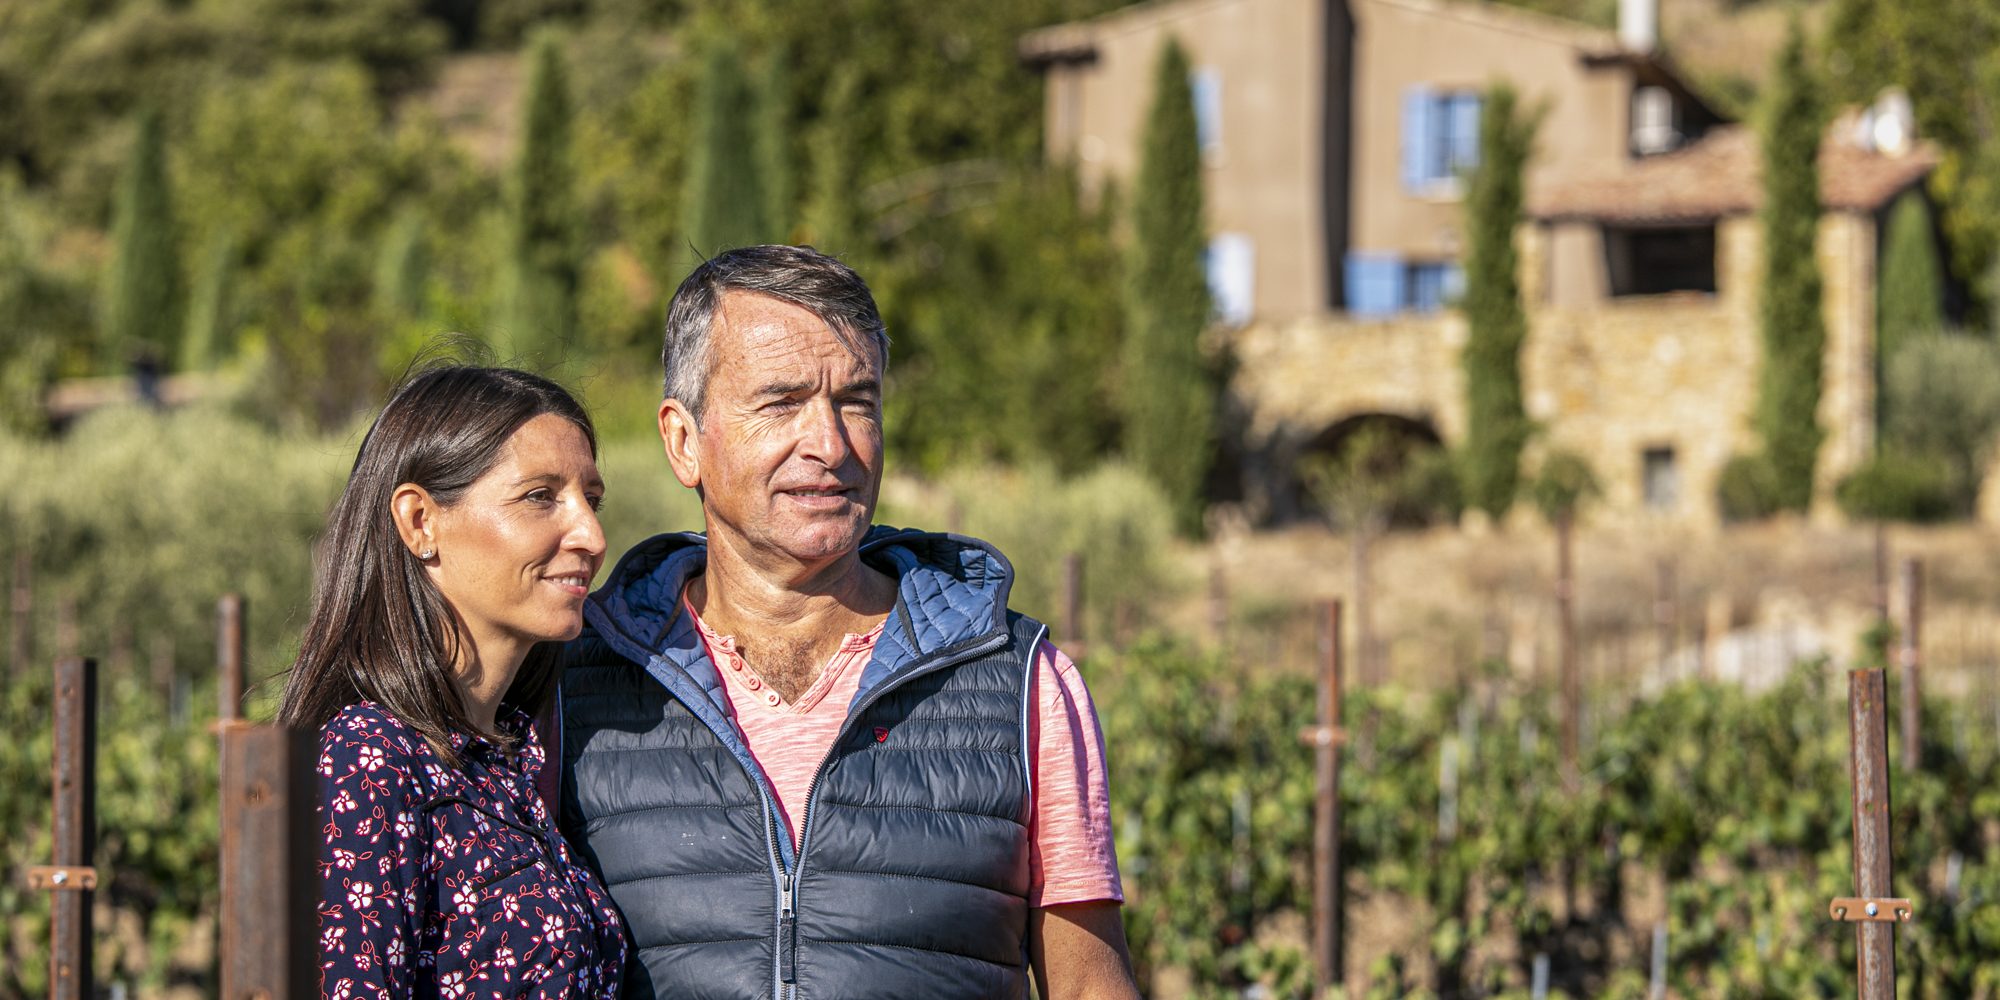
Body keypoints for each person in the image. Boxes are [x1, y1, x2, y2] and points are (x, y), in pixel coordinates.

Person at [558, 245, 1142, 999]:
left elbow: (1092, 986)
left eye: (857, 402)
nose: (830, 445)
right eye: (781, 403)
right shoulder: (577, 685)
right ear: (683, 441)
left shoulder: (1022, 683)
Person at [280, 366, 628, 999]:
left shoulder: (509, 756)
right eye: (540, 496)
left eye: (591, 500)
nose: (593, 537)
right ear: (420, 523)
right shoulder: (370, 760)